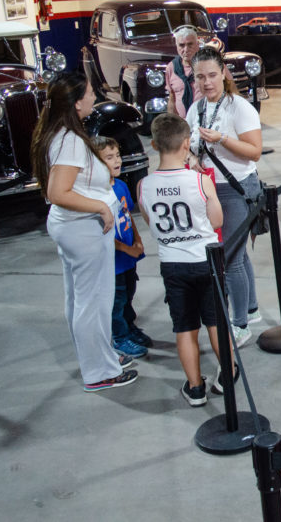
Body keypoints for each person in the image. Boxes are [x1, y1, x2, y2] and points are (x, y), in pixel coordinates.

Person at [30, 72, 138, 392]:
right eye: (90, 92)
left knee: (80, 299)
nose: (94, 97)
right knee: (93, 302)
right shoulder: (71, 141)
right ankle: (99, 371)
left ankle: (99, 357)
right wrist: (101, 207)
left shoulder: (58, 134)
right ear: (77, 103)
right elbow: (57, 192)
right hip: (83, 230)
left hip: (73, 229)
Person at [138, 113, 232, 406]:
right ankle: (228, 374)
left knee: (185, 327)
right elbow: (217, 220)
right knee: (215, 322)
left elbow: (150, 222)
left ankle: (195, 387)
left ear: (154, 145)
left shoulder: (144, 185)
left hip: (172, 263)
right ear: (186, 144)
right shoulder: (200, 181)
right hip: (205, 260)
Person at [185, 46, 263, 347]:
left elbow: (254, 151)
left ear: (223, 74)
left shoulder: (239, 108)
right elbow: (191, 145)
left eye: (212, 75)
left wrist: (223, 139)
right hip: (209, 190)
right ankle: (251, 309)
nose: (206, 82)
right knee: (237, 255)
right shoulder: (196, 109)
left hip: (236, 189)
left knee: (230, 260)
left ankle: (239, 324)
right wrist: (192, 157)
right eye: (200, 77)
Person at [97, 137, 150, 359]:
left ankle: (130, 327)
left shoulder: (120, 186)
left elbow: (128, 215)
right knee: (116, 301)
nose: (117, 161)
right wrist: (127, 249)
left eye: (117, 155)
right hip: (113, 262)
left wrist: (137, 240)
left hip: (128, 258)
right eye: (109, 158)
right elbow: (101, 234)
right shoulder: (96, 195)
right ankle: (119, 336)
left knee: (128, 294)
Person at [165, 25, 202, 118]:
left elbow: (229, 88)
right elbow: (171, 98)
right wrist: (171, 122)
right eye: (181, 45)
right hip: (182, 123)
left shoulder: (209, 63)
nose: (186, 49)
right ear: (176, 46)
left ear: (197, 44)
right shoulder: (171, 67)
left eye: (190, 44)